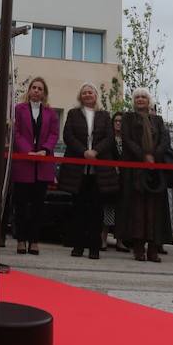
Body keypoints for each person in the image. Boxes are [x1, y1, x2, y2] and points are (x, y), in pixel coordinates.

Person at [58, 83, 116, 259]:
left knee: (96, 210)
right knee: (78, 209)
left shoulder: (104, 115)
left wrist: (95, 151)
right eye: (84, 92)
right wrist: (84, 152)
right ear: (80, 96)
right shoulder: (73, 114)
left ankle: (94, 247)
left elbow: (109, 137)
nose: (87, 95)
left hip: (99, 171)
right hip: (78, 169)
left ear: (96, 95)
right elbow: (68, 135)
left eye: (90, 92)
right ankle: (77, 245)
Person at [116, 88, 172, 262]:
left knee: (155, 211)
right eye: (137, 97)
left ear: (149, 101)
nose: (140, 99)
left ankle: (154, 249)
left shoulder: (158, 120)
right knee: (137, 211)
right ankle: (138, 248)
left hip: (155, 172)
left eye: (144, 97)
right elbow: (127, 140)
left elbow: (165, 140)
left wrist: (154, 157)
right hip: (135, 172)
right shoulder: (128, 119)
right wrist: (144, 156)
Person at [11, 77, 59, 255]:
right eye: (34, 87)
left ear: (44, 93)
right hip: (24, 162)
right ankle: (21, 240)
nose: (37, 91)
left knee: (38, 206)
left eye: (40, 88)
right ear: (29, 90)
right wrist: (27, 151)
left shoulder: (51, 113)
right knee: (21, 204)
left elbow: (54, 134)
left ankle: (34, 240)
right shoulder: (19, 109)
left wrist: (45, 150)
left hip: (43, 164)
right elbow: (16, 133)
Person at [106, 113, 127, 251]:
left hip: (124, 178)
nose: (118, 123)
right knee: (108, 208)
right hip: (109, 177)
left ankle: (120, 240)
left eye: (121, 121)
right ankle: (102, 239)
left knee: (122, 210)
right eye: (116, 121)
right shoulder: (107, 138)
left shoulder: (128, 140)